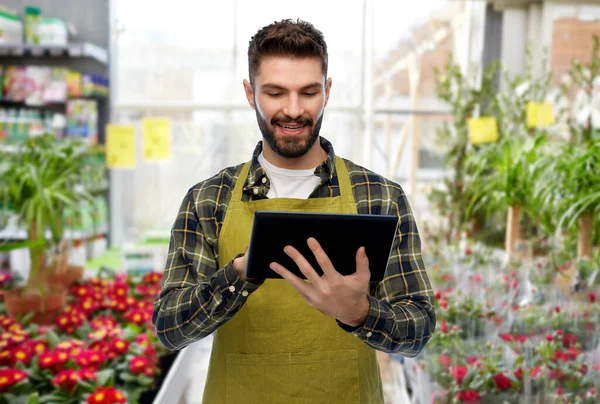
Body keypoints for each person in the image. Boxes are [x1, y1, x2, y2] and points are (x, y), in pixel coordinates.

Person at [152, 19, 436, 404]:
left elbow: (419, 327)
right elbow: (171, 328)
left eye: (308, 92)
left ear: (328, 91)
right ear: (250, 93)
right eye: (275, 92)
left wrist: (361, 312)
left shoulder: (379, 196)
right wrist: (238, 273)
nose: (293, 110)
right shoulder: (209, 200)